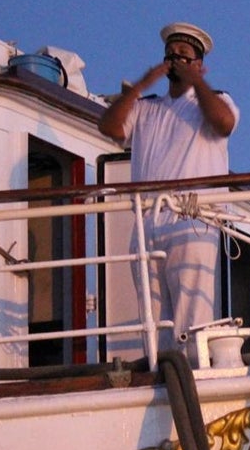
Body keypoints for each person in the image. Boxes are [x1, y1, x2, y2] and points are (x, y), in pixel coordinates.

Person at [98, 22, 240, 351]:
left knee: (192, 316)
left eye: (184, 55)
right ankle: (160, 371)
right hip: (148, 219)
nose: (176, 59)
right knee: (152, 318)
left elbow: (224, 124)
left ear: (199, 64)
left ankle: (189, 370)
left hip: (192, 218)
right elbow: (109, 126)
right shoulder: (146, 107)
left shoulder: (215, 100)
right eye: (171, 54)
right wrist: (142, 83)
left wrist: (197, 82)